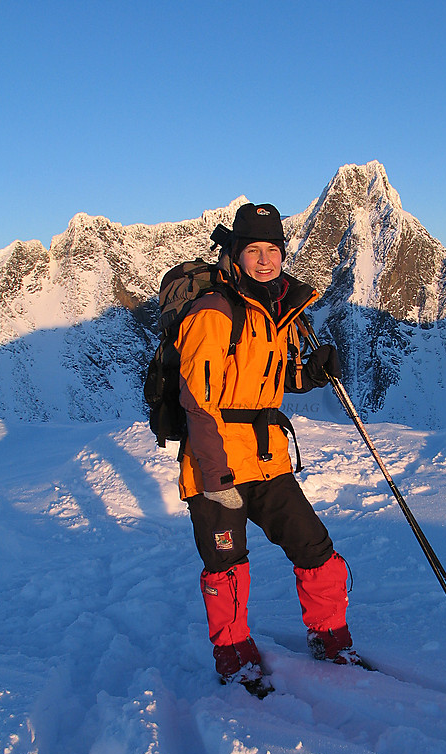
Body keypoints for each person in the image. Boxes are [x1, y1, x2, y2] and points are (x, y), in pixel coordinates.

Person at [175, 202, 358, 689]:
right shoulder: (214, 311)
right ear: (234, 253)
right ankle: (234, 657)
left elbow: (266, 380)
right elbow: (198, 400)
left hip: (265, 456)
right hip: (217, 465)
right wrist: (214, 479)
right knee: (226, 565)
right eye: (252, 249)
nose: (263, 260)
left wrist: (309, 373)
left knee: (314, 546)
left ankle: (331, 638)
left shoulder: (276, 310)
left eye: (271, 249)